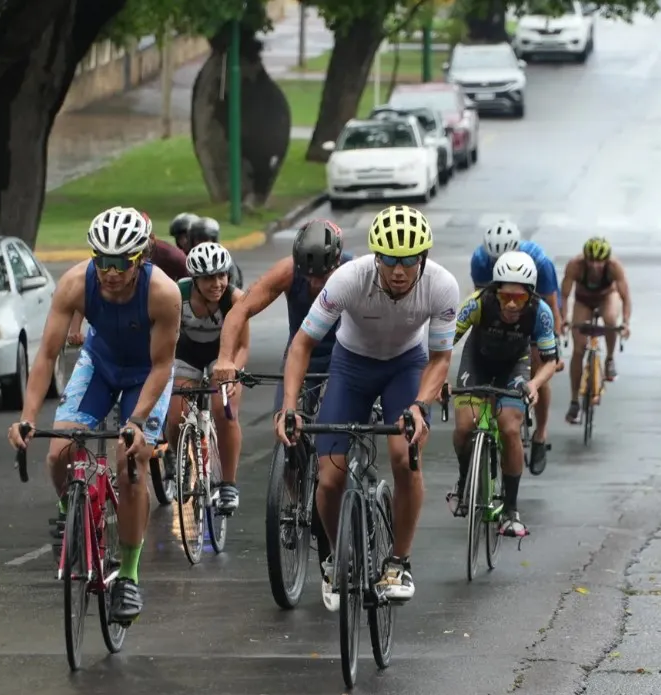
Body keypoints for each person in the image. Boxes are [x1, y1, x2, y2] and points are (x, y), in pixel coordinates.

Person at [276, 205, 459, 610]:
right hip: (352, 366)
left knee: (404, 456)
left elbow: (440, 359)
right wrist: (289, 407)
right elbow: (302, 345)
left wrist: (419, 406)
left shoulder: (442, 287)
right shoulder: (348, 279)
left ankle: (398, 561)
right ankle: (336, 558)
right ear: (375, 256)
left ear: (422, 259)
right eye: (389, 259)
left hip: (406, 368)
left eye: (408, 260)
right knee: (330, 477)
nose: (398, 270)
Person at [6, 207, 181, 622]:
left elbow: (161, 367)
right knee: (58, 452)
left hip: (146, 374)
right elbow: (47, 355)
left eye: (120, 262)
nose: (109, 271)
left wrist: (135, 422)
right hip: (100, 364)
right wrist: (27, 416)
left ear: (139, 259)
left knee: (130, 462)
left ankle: (130, 577)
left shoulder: (164, 293)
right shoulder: (74, 283)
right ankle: (72, 512)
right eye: (102, 260)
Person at [450, 250, 558, 538]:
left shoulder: (541, 312)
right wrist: (437, 382)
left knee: (510, 428)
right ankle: (464, 482)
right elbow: (443, 345)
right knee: (463, 426)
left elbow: (550, 361)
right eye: (505, 296)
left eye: (519, 298)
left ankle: (511, 510)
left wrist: (535, 384)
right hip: (477, 362)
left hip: (514, 366)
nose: (511, 304)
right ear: (494, 291)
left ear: (530, 296)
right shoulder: (476, 304)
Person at [212, 218, 351, 412]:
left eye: (323, 276)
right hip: (300, 352)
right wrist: (225, 358)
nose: (315, 283)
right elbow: (240, 309)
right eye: (308, 275)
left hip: (342, 353)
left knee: (338, 421)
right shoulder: (287, 271)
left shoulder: (352, 272)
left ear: (337, 263)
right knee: (286, 420)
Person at [468, 220, 561, 474]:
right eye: (494, 259)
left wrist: (555, 343)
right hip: (501, 309)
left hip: (534, 309)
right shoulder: (479, 260)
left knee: (537, 365)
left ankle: (540, 434)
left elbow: (551, 305)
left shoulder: (538, 262)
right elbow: (482, 305)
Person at [166, 241, 248, 514]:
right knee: (175, 415)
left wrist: (233, 373)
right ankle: (176, 455)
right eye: (209, 278)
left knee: (224, 410)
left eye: (222, 275)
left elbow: (243, 346)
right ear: (195, 280)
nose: (217, 283)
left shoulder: (235, 300)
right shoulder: (177, 295)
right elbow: (165, 337)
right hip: (187, 353)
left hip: (222, 357)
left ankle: (229, 484)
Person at [66, 211, 185, 346]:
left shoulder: (170, 257)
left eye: (124, 261)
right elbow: (85, 291)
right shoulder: (93, 272)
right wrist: (74, 329)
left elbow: (192, 283)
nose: (113, 272)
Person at [558, 237, 632, 425]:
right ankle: (574, 401)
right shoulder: (575, 265)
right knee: (578, 349)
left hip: (607, 297)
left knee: (609, 320)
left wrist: (626, 323)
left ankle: (609, 359)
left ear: (607, 260)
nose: (595, 265)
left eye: (600, 261)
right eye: (591, 261)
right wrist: (563, 319)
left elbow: (625, 297)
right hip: (583, 300)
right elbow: (564, 296)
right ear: (585, 259)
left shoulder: (614, 267)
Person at [187, 215, 244, 289]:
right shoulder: (190, 261)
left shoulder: (225, 263)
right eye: (199, 240)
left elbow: (233, 290)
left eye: (206, 240)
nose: (203, 244)